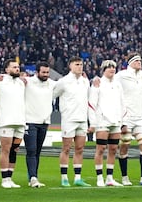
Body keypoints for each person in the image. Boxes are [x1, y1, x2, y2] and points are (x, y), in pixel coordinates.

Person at [114, 53, 142, 186]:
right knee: (125, 146)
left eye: (140, 60)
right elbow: (109, 81)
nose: (140, 62)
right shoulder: (121, 75)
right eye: (137, 60)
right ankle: (125, 177)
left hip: (140, 117)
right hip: (127, 118)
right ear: (130, 62)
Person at [53, 56, 92, 187]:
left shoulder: (85, 81)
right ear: (70, 66)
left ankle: (77, 178)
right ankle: (64, 177)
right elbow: (52, 95)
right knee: (66, 148)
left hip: (82, 119)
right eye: (77, 64)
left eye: (81, 64)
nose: (80, 67)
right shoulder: (63, 82)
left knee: (80, 148)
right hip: (69, 119)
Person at [88, 59, 123, 187]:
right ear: (104, 70)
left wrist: (122, 119)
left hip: (116, 121)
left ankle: (109, 178)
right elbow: (92, 104)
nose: (112, 70)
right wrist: (93, 122)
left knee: (113, 149)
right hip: (102, 120)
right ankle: (99, 178)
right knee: (101, 149)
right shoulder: (98, 83)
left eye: (113, 67)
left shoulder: (118, 84)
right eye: (109, 68)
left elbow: (122, 102)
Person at [0, 58, 27, 188]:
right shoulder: (0, 81)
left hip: (20, 122)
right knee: (5, 149)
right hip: (6, 121)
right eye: (13, 67)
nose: (17, 69)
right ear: (6, 69)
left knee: (15, 150)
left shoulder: (21, 83)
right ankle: (4, 179)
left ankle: (10, 178)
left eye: (18, 67)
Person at [25, 61, 56, 188]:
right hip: (30, 121)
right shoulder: (27, 82)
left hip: (44, 122)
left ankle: (33, 176)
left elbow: (65, 83)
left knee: (37, 151)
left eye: (47, 72)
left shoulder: (52, 84)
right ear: (36, 72)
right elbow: (11, 79)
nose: (45, 74)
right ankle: (33, 178)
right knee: (31, 150)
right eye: (43, 72)